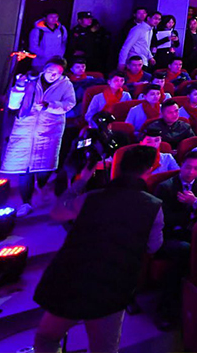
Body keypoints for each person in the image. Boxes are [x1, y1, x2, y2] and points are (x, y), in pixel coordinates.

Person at [32, 145, 164, 353]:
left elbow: (57, 212)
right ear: (149, 171)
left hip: (72, 277)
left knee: (47, 340)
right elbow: (153, 246)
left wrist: (82, 180)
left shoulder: (91, 198)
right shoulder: (153, 206)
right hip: (112, 284)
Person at [2, 57, 76, 217]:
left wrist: (50, 106)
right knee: (25, 168)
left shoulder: (66, 85)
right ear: (44, 69)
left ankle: (41, 185)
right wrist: (19, 86)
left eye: (57, 73)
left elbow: (69, 104)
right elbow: (13, 105)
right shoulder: (31, 80)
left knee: (45, 167)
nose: (52, 75)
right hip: (26, 127)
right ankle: (26, 203)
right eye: (50, 71)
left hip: (50, 128)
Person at [153, 150, 197, 328]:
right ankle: (167, 309)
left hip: (194, 232)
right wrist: (189, 212)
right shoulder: (165, 187)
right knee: (184, 252)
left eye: (196, 168)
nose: (191, 172)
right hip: (170, 234)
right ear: (181, 166)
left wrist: (196, 203)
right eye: (188, 167)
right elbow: (163, 220)